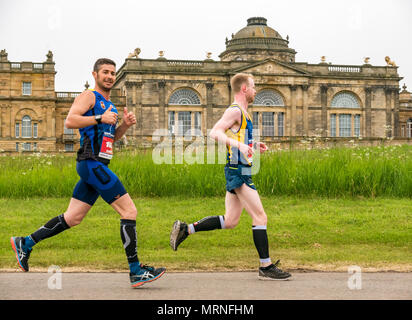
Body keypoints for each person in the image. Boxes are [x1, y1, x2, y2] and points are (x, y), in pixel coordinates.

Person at [10, 58, 165, 288]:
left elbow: (111, 138)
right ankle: (136, 271)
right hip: (92, 163)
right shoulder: (89, 96)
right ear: (95, 74)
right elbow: (70, 121)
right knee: (129, 210)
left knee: (73, 217)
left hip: (96, 165)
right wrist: (99, 117)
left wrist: (124, 125)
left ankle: (25, 243)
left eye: (112, 73)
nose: (110, 76)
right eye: (105, 72)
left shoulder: (110, 106)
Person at [170, 73, 291, 280]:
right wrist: (241, 146)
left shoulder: (244, 113)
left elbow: (236, 138)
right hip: (238, 169)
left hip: (238, 166)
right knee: (260, 216)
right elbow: (215, 132)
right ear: (244, 88)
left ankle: (185, 229)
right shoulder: (235, 110)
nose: (255, 90)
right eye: (253, 86)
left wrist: (252, 146)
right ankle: (266, 266)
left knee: (231, 220)